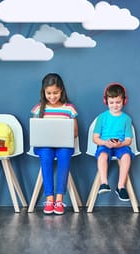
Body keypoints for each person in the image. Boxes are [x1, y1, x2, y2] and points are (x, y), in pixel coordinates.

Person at [31, 73, 78, 215]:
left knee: (64, 156)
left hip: (64, 145)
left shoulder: (69, 109)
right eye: (49, 93)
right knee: (46, 156)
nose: (52, 96)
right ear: (43, 92)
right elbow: (35, 131)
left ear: (62, 90)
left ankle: (59, 199)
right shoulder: (38, 109)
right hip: (43, 146)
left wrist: (64, 132)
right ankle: (49, 199)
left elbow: (75, 133)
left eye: (55, 93)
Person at [93, 83, 134, 201]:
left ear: (124, 101)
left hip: (120, 145)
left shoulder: (126, 119)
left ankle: (121, 186)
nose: (115, 105)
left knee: (126, 156)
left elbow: (128, 140)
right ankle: (104, 183)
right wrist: (105, 143)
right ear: (106, 102)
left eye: (118, 102)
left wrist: (120, 144)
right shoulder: (101, 117)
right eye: (111, 103)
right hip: (105, 144)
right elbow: (95, 138)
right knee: (102, 156)